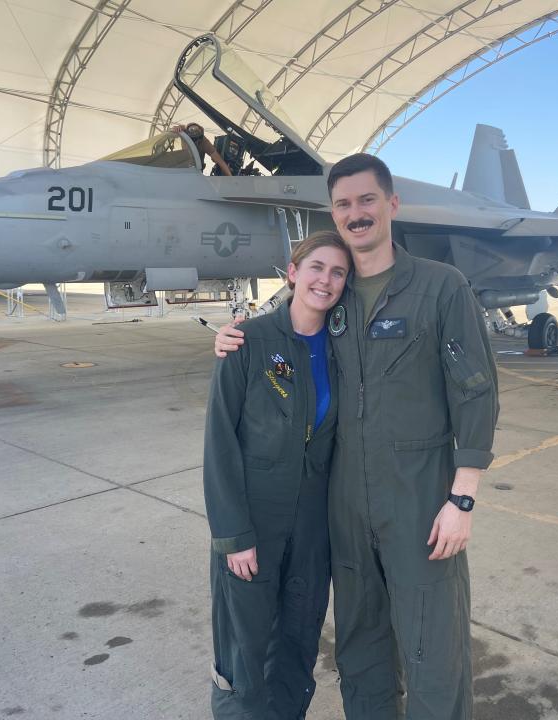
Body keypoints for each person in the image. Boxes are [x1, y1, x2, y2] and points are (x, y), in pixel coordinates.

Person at [215, 154, 499, 720]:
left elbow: (477, 392)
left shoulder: (441, 288)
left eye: (367, 200)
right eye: (343, 204)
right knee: (361, 646)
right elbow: (286, 336)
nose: (356, 213)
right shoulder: (334, 297)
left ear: (391, 205)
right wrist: (233, 339)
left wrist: (461, 498)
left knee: (432, 646)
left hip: (420, 499)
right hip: (345, 506)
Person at [203, 231, 352, 719]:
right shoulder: (248, 341)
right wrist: (233, 535)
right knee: (243, 654)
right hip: (252, 527)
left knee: (297, 644)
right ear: (292, 272)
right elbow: (220, 444)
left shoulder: (342, 351)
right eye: (316, 268)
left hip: (312, 530)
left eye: (337, 273)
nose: (325, 281)